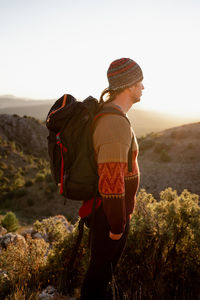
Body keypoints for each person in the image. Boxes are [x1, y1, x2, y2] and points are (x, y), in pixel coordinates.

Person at [80, 58, 144, 299]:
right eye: (140, 82)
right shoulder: (114, 124)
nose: (143, 87)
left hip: (108, 214)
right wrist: (117, 226)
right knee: (97, 280)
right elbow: (111, 181)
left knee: (101, 278)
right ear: (128, 86)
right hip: (108, 217)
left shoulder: (113, 116)